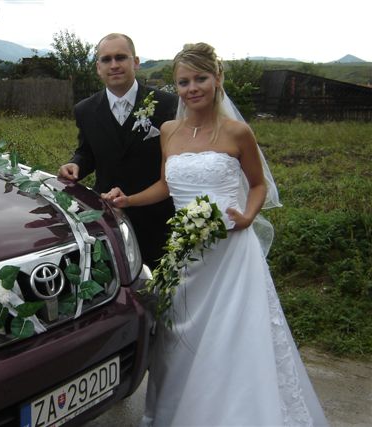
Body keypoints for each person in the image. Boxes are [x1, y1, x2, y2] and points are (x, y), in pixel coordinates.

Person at [102, 42, 329, 426]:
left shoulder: (238, 132)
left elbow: (258, 185)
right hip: (184, 256)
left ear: (217, 78)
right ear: (176, 86)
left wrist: (248, 216)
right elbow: (166, 185)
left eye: (200, 79)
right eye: (183, 81)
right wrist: (129, 200)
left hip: (230, 255)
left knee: (230, 339)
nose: (192, 88)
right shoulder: (169, 131)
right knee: (179, 338)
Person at [58, 33, 178, 269]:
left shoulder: (167, 105)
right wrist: (76, 164)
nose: (114, 65)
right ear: (98, 67)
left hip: (158, 216)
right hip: (109, 216)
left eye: (121, 57)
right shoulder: (85, 110)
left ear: (136, 62)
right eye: (106, 59)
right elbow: (87, 152)